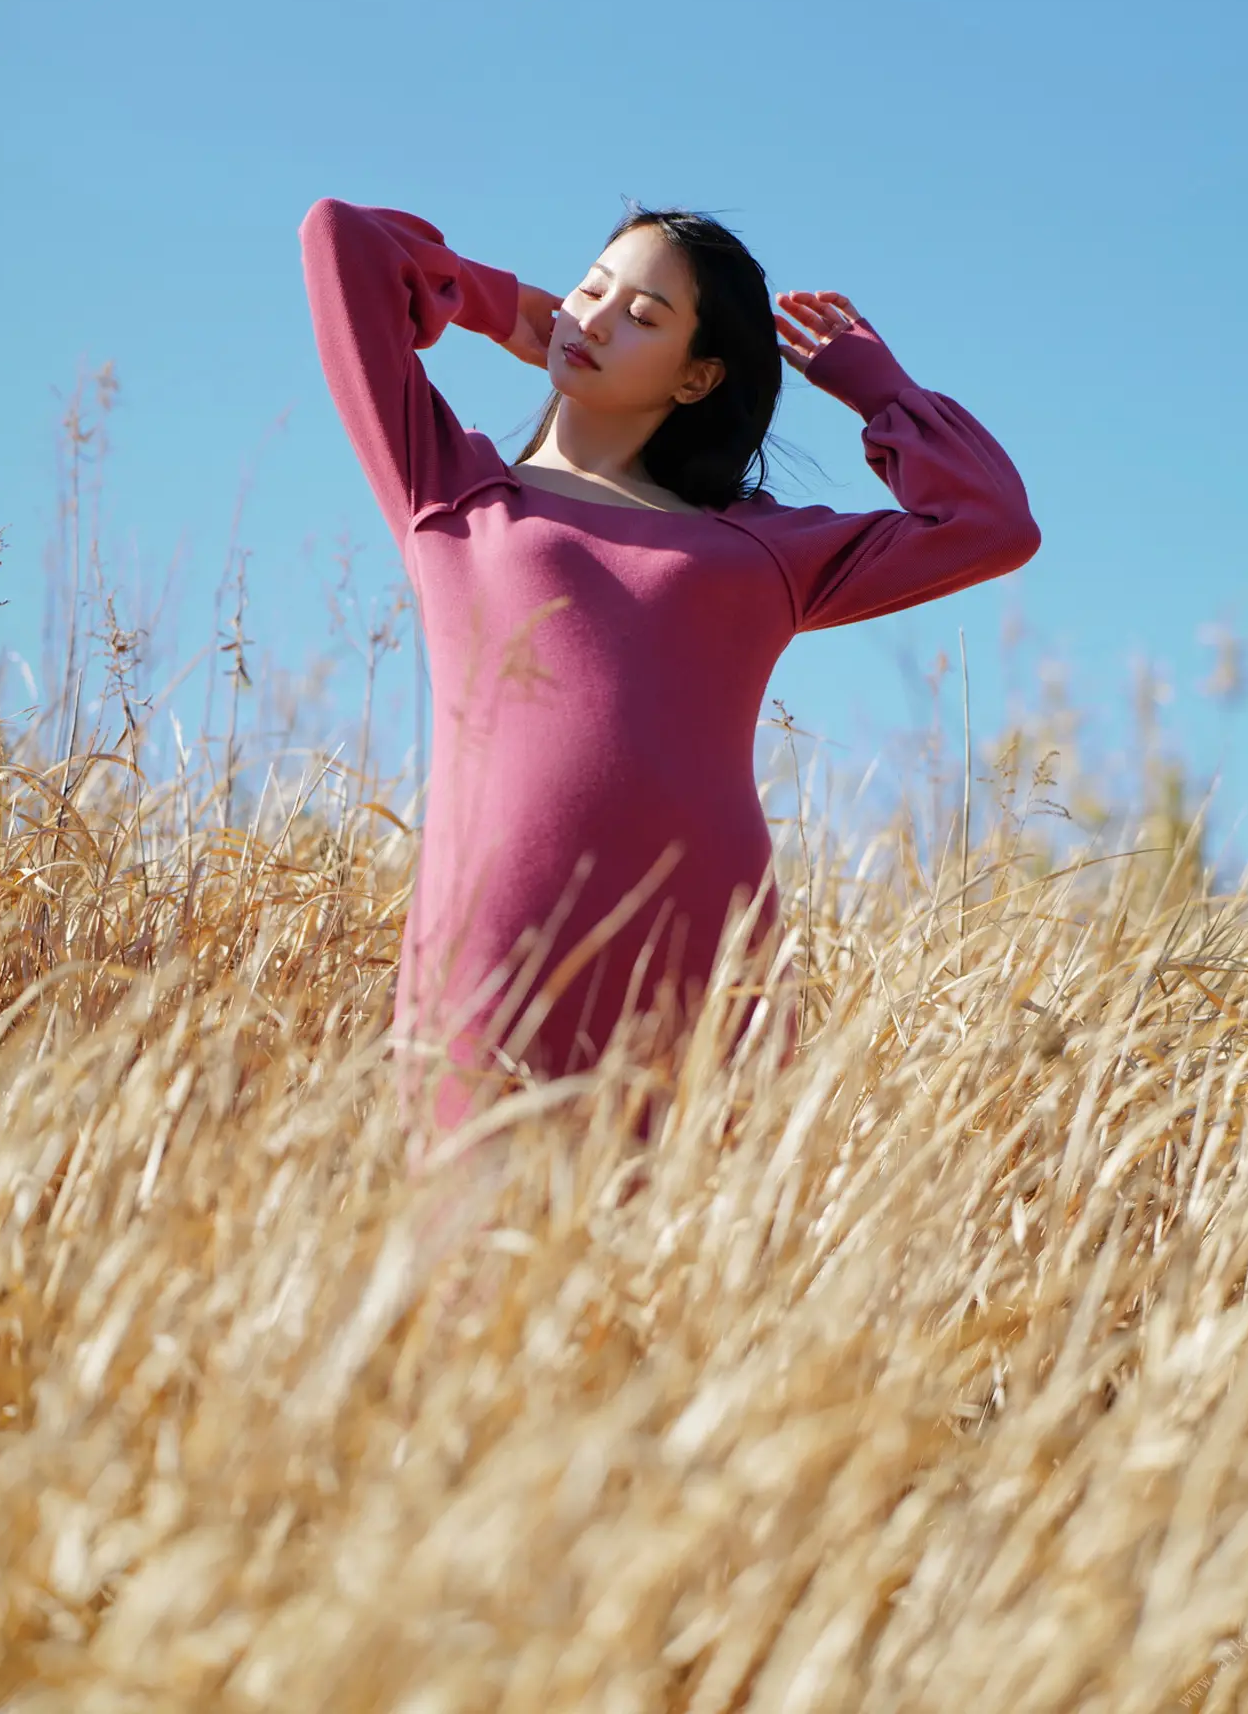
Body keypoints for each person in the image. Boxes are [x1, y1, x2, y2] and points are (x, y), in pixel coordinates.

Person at [299, 195, 1041, 1169]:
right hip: (493, 931)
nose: (599, 319)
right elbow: (342, 239)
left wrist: (879, 390)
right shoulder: (447, 486)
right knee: (473, 1228)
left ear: (698, 377)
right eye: (591, 290)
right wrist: (507, 308)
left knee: (686, 1243)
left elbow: (991, 524)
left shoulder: (760, 546)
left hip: (705, 945)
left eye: (644, 316)